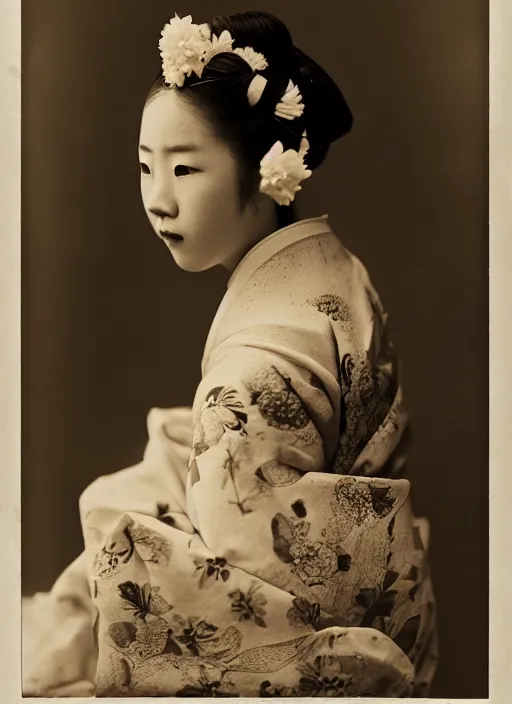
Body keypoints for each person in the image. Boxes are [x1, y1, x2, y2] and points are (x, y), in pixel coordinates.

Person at [23, 10, 438, 697]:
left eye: (185, 169)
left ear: (269, 173)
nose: (159, 200)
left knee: (104, 546)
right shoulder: (333, 269)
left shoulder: (253, 375)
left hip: (321, 635)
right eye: (144, 167)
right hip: (390, 592)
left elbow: (245, 584)